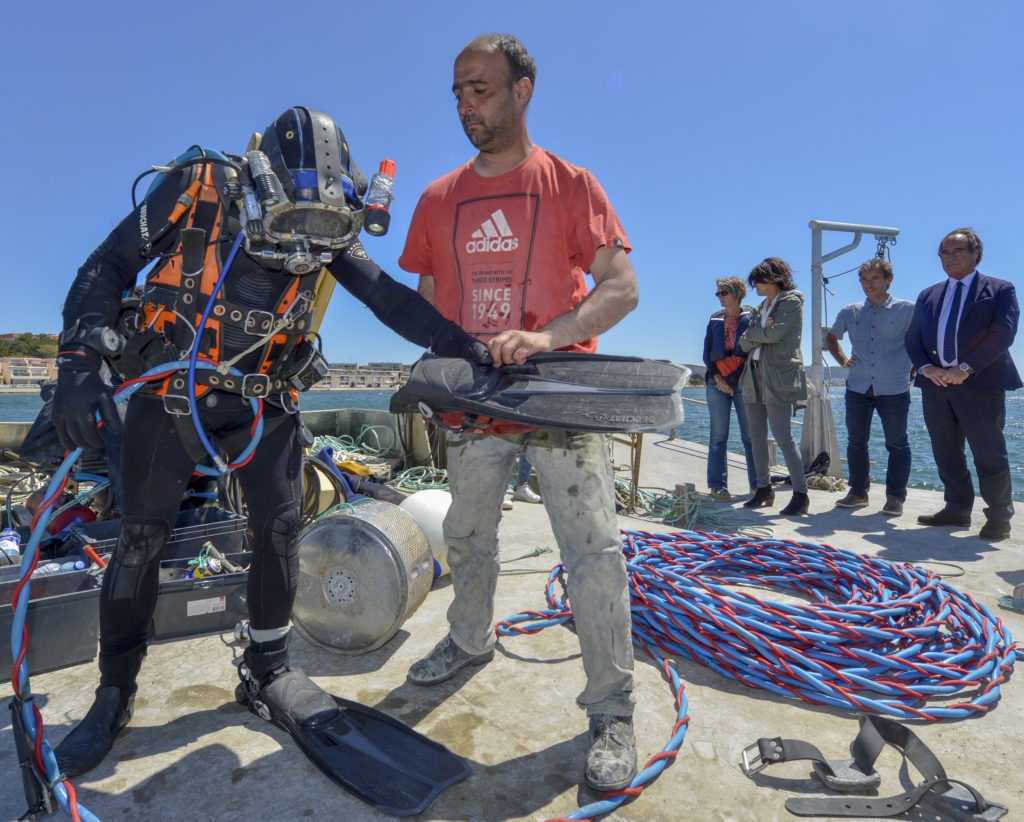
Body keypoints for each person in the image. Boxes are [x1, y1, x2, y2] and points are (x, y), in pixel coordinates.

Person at [50, 107, 487, 782]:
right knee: (140, 538)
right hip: (173, 393)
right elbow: (106, 267)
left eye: (324, 233)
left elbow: (389, 299)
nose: (305, 247)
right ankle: (114, 692)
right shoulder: (198, 186)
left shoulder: (329, 222)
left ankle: (268, 669)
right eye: (291, 226)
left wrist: (466, 348)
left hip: (264, 399)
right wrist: (79, 362)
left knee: (281, 528)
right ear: (259, 190)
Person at [397, 33, 641, 792]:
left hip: (558, 402)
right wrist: (441, 385)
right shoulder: (437, 199)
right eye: (459, 93)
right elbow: (433, 307)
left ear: (523, 90)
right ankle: (469, 641)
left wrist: (545, 336)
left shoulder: (570, 184)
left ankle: (612, 709)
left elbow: (622, 288)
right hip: (475, 409)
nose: (468, 104)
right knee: (467, 537)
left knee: (593, 554)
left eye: (482, 89)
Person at [904, 228, 1021, 540]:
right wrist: (926, 368)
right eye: (944, 252)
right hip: (935, 386)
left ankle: (999, 517)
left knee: (988, 452)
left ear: (975, 254)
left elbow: (1003, 333)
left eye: (957, 251)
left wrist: (966, 368)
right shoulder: (927, 295)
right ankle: (957, 509)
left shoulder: (1000, 290)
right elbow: (912, 337)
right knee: (945, 451)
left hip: (980, 384)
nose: (949, 257)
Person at [825, 258, 914, 515]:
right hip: (858, 387)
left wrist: (915, 369)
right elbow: (831, 337)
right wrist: (842, 360)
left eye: (874, 279)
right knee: (856, 442)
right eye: (864, 280)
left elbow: (923, 339)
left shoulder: (908, 310)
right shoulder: (850, 312)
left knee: (897, 444)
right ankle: (857, 493)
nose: (868, 284)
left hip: (895, 388)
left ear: (889, 280)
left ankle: (895, 498)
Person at [738, 258, 809, 515]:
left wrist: (757, 333)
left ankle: (801, 494)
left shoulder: (791, 302)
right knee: (755, 436)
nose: (754, 285)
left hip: (778, 376)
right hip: (753, 376)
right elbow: (743, 343)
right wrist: (758, 332)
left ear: (774, 278)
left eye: (758, 280)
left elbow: (774, 334)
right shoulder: (760, 308)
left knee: (783, 436)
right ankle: (763, 488)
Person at [701, 276, 757, 500]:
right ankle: (717, 486)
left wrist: (733, 380)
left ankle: (758, 485)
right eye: (718, 294)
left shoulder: (751, 317)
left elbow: (753, 351)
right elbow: (707, 354)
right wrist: (720, 379)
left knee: (750, 436)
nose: (720, 297)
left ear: (736, 294)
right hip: (717, 383)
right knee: (718, 436)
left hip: (743, 382)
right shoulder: (714, 319)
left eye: (723, 293)